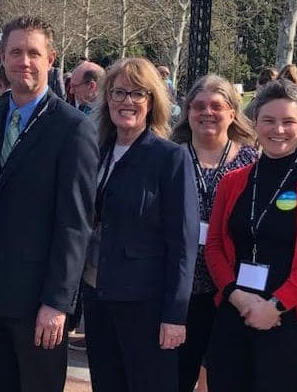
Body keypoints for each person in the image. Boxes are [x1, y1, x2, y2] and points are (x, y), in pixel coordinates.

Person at [0, 16, 97, 392]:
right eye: (16, 52)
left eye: (34, 53)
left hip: (38, 303)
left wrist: (58, 302)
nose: (24, 61)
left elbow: (75, 223)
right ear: (3, 58)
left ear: (51, 59)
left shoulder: (73, 128)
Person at [204, 80, 297, 392]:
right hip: (233, 314)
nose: (277, 130)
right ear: (254, 123)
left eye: (288, 122)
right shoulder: (234, 181)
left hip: (287, 320)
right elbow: (214, 246)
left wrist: (275, 306)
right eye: (268, 120)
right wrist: (239, 299)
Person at [82, 57, 198, 392]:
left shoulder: (169, 158)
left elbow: (183, 244)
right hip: (98, 295)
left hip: (146, 306)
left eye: (137, 94)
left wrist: (175, 315)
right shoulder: (96, 152)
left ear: (152, 101)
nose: (127, 102)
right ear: (107, 99)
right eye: (119, 93)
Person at [169, 74, 258, 392]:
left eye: (216, 106)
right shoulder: (169, 156)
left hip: (229, 290)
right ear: (187, 111)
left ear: (232, 112)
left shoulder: (250, 162)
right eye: (199, 106)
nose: (207, 112)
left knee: (224, 376)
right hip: (180, 289)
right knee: (175, 375)